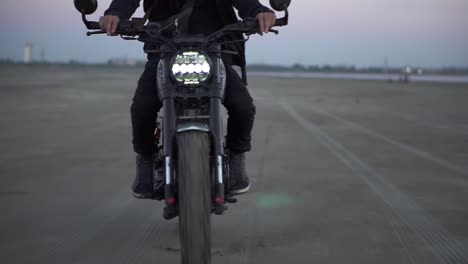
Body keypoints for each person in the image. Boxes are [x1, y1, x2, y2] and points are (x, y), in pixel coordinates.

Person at [99, 0, 276, 199]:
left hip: (214, 50)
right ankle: (145, 159)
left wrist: (260, 12)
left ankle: (236, 156)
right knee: (142, 107)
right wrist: (114, 14)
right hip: (164, 50)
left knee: (243, 106)